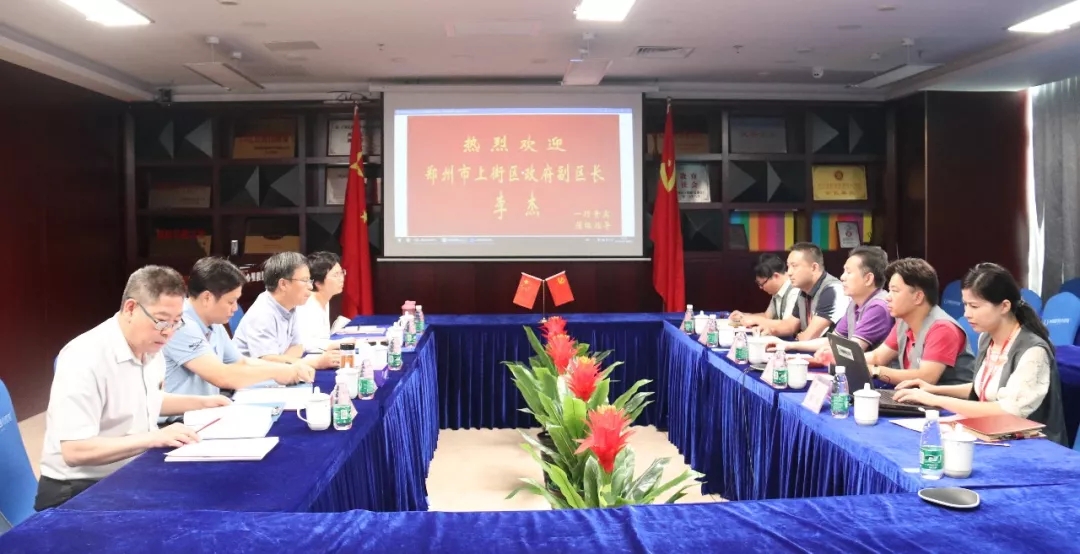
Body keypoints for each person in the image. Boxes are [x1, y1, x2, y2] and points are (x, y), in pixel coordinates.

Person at [36, 266, 231, 510]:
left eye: (176, 322)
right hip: (78, 489)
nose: (168, 332)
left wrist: (203, 403)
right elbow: (75, 451)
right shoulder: (85, 357)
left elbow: (147, 399)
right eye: (161, 321)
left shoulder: (150, 347)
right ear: (130, 308)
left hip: (131, 472)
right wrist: (153, 438)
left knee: (213, 493)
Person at [894, 263, 1067, 446]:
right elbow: (984, 387)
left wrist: (935, 399)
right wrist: (932, 389)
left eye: (974, 306)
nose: (967, 314)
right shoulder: (986, 338)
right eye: (965, 305)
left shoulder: (1033, 351)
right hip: (993, 434)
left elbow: (1008, 410)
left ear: (1004, 306)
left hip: (1032, 446)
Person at [163, 257, 315, 400]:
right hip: (180, 416)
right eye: (231, 302)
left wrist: (289, 367)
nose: (235, 308)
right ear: (207, 297)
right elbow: (221, 376)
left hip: (205, 411)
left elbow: (240, 362)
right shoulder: (181, 324)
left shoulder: (214, 322)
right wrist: (276, 371)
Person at [863, 258, 975, 386]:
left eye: (895, 291)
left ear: (918, 297)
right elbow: (878, 357)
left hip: (946, 398)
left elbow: (926, 378)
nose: (888, 297)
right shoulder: (904, 322)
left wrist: (875, 370)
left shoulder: (943, 328)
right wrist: (849, 360)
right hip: (913, 395)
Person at [775, 246, 894, 357]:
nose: (842, 277)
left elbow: (853, 350)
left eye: (848, 272)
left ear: (868, 279)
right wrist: (788, 345)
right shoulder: (854, 304)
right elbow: (832, 341)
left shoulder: (878, 306)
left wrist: (828, 352)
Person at [232, 252, 340, 370]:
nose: (310, 286)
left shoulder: (290, 306)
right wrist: (315, 363)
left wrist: (283, 361)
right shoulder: (262, 312)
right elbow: (266, 361)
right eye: (304, 280)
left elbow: (297, 347)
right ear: (283, 284)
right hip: (248, 377)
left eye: (309, 280)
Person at [764, 242, 849, 340]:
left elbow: (810, 336)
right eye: (788, 266)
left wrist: (800, 337)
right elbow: (790, 325)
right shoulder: (803, 291)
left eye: (794, 266)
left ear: (814, 268)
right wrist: (771, 330)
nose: (789, 272)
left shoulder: (833, 290)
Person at [730, 254, 800, 335]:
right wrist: (744, 316)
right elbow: (767, 316)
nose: (761, 288)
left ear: (776, 276)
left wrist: (755, 320)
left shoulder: (794, 290)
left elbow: (788, 326)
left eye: (762, 284)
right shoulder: (777, 290)